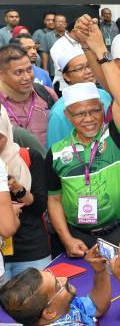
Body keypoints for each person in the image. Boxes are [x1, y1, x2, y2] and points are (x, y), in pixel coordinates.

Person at [47, 15, 120, 255]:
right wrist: (67, 239)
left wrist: (99, 49)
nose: (89, 118)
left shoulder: (116, 137)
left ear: (103, 109)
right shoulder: (57, 153)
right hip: (81, 239)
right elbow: (54, 200)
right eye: (80, 114)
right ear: (68, 117)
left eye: (95, 111)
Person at [0, 242, 120, 326]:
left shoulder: (58, 309)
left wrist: (100, 271)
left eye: (54, 276)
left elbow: (96, 307)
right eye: (57, 286)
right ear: (49, 313)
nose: (64, 278)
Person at [0, 106, 50, 278]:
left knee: (40, 294)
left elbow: (41, 206)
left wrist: (19, 190)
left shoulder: (28, 158)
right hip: (2, 256)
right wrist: (7, 211)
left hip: (31, 250)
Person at [0, 45, 58, 149]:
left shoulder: (46, 94)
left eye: (29, 69)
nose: (27, 77)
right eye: (19, 72)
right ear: (1, 75)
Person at [33, 12, 56, 76]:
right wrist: (44, 46)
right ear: (44, 21)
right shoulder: (39, 32)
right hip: (43, 67)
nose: (51, 22)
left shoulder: (61, 33)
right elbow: (32, 47)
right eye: (48, 20)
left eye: (53, 20)